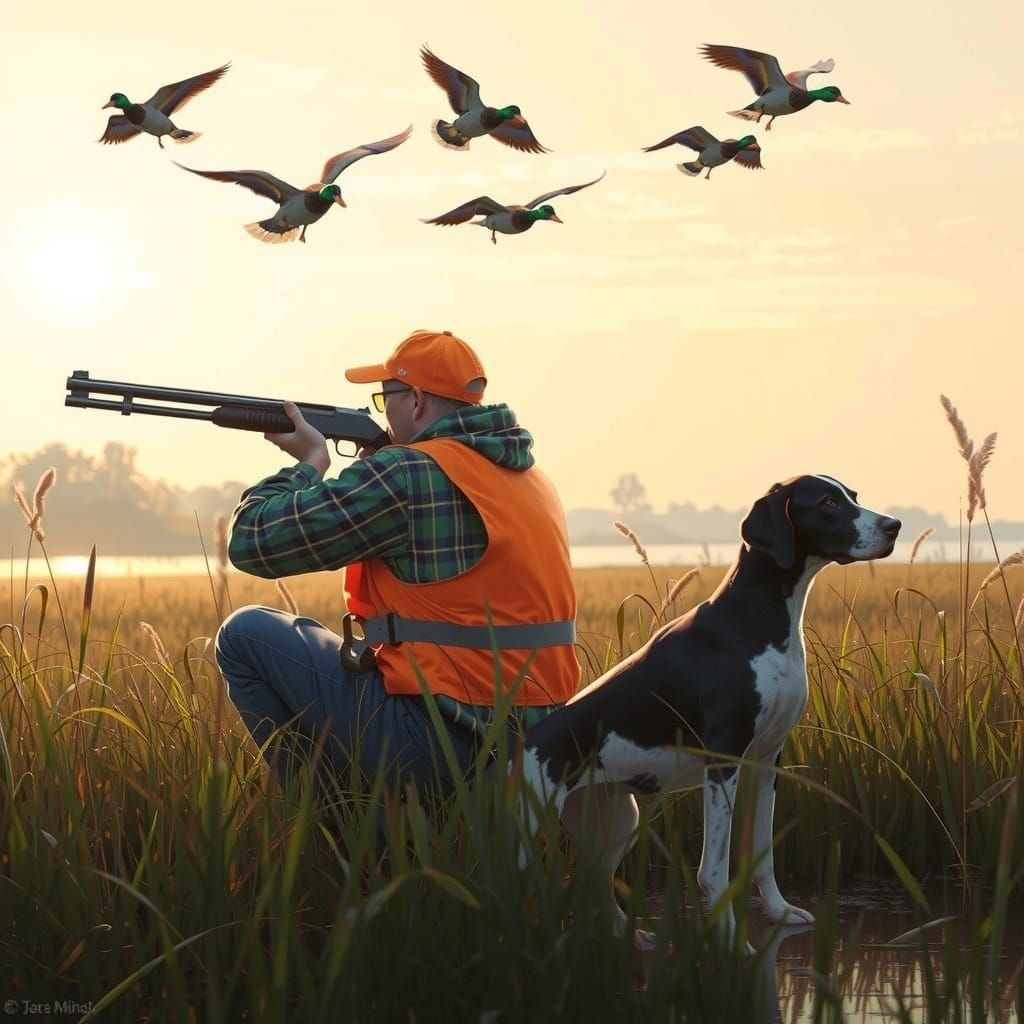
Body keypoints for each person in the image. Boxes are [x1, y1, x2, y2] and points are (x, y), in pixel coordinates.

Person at [214, 328, 580, 796]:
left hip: (440, 740)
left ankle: (337, 831)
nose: (382, 411)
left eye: (386, 395)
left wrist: (308, 463)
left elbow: (253, 540)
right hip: (542, 743)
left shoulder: (403, 474)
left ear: (418, 401)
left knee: (244, 634)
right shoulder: (532, 479)